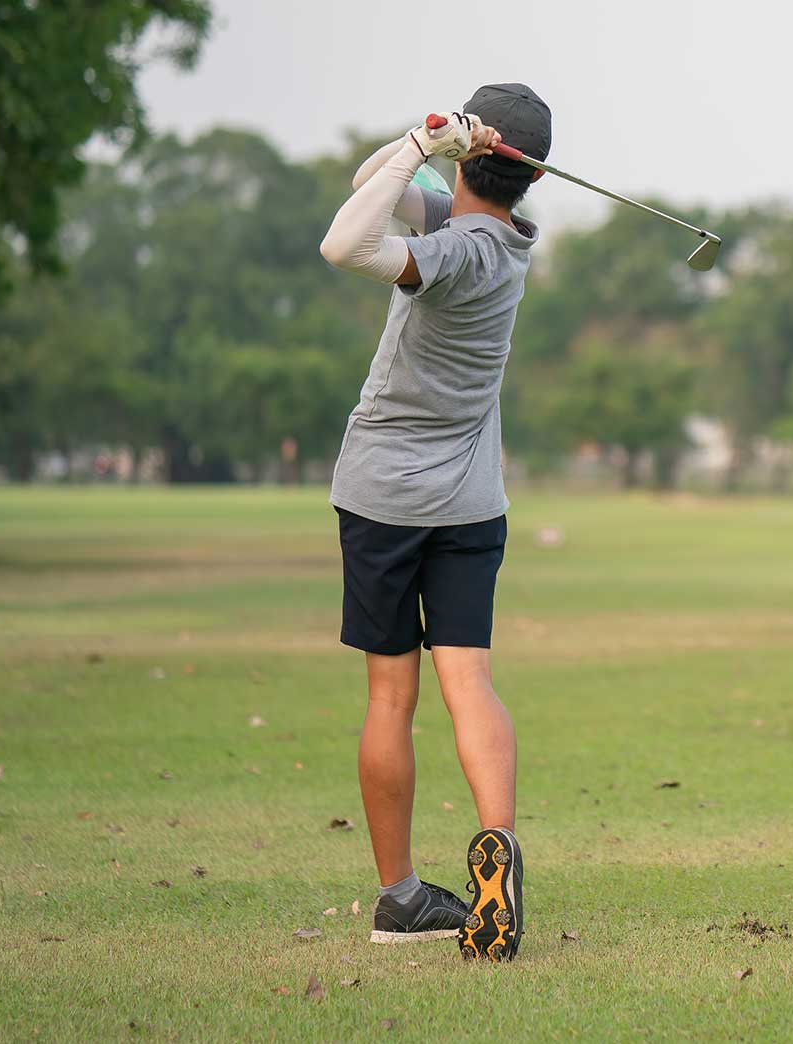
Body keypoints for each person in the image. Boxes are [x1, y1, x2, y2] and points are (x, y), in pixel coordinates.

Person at [317, 83, 551, 962]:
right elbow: (365, 183)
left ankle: (400, 897)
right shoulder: (513, 238)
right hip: (468, 503)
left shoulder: (456, 251)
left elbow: (344, 240)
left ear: (475, 153)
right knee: (470, 683)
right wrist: (422, 148)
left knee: (391, 695)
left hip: (382, 496)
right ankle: (498, 849)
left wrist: (425, 141)